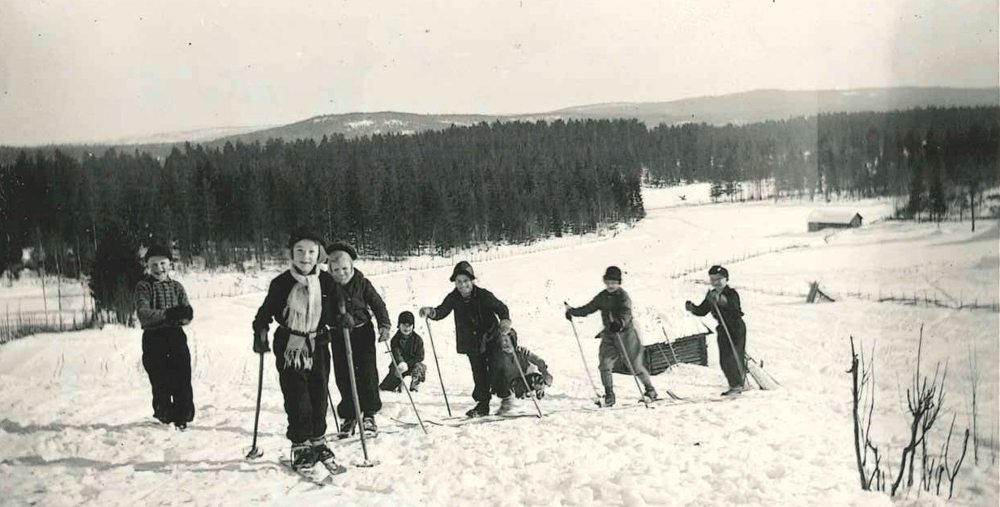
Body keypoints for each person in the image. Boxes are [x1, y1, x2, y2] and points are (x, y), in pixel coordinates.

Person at [252, 231, 346, 474]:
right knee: (297, 396)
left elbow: (337, 309)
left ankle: (318, 440)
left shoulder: (327, 282)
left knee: (318, 394)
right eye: (300, 251)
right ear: (291, 254)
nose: (306, 257)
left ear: (319, 255)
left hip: (319, 343)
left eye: (312, 251)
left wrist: (343, 317)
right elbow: (265, 313)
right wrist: (260, 331)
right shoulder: (282, 283)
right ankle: (300, 443)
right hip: (290, 344)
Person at [419, 261, 511, 418]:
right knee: (479, 373)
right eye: (459, 282)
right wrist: (431, 312)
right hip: (471, 342)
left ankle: (505, 397)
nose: (462, 285)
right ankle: (483, 405)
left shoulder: (483, 295)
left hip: (491, 337)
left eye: (466, 281)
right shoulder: (453, 298)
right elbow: (442, 311)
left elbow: (501, 308)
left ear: (472, 281)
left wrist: (505, 320)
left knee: (497, 367)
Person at [565, 266, 657, 407]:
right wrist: (573, 312)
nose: (611, 285)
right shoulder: (602, 296)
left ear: (618, 283)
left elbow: (626, 312)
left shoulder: (623, 296)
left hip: (626, 335)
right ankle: (609, 395)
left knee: (634, 366)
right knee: (605, 365)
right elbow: (589, 308)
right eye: (608, 282)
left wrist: (620, 322)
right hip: (609, 335)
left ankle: (650, 391)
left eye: (614, 282)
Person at [326, 242, 391, 437]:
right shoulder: (327, 287)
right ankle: (349, 415)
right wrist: (333, 320)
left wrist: (384, 325)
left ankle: (369, 413)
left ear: (352, 267)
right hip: (339, 335)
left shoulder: (362, 283)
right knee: (343, 374)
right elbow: (322, 311)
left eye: (345, 269)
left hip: (363, 333)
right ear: (329, 269)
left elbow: (377, 304)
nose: (341, 273)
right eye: (336, 270)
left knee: (367, 372)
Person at [134, 245, 195, 430]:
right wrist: (169, 315)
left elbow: (187, 313)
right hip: (154, 338)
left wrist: (182, 315)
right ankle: (164, 417)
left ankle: (182, 416)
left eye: (162, 263)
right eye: (154, 264)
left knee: (182, 376)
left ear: (170, 264)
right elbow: (144, 313)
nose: (159, 268)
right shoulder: (144, 286)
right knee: (160, 377)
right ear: (148, 266)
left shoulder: (177, 287)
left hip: (176, 337)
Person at [685, 265, 746, 396]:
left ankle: (738, 385)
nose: (716, 282)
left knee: (733, 357)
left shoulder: (731, 293)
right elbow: (702, 310)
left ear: (726, 279)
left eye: (719, 279)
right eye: (713, 279)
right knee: (724, 359)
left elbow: (734, 308)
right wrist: (692, 308)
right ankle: (733, 384)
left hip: (735, 327)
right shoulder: (711, 295)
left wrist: (720, 300)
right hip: (723, 328)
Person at [487, 328, 553, 414]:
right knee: (514, 388)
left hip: (526, 377)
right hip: (512, 381)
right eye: (502, 341)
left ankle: (540, 388)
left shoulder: (521, 351)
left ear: (513, 341)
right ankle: (507, 403)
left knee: (536, 379)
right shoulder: (499, 355)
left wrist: (544, 371)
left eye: (507, 341)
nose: (504, 344)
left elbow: (536, 359)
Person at [378, 311, 427, 393]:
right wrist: (401, 363)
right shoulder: (395, 340)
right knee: (386, 387)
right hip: (399, 366)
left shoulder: (417, 339)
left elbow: (420, 356)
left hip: (412, 365)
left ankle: (414, 387)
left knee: (420, 367)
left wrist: (408, 364)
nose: (407, 328)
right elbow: (396, 353)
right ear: (399, 325)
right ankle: (396, 385)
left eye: (409, 326)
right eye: (404, 325)